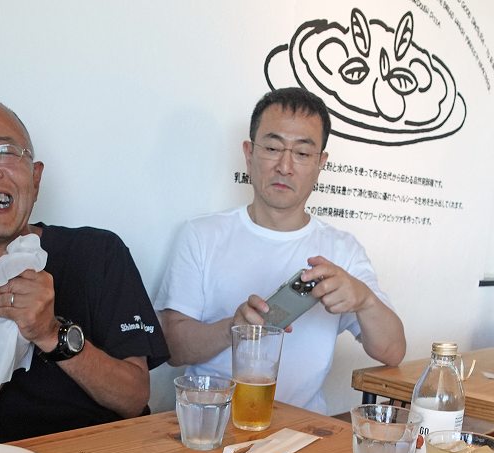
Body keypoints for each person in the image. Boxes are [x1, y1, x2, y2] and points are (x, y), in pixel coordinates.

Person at [0, 94, 169, 444]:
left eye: (5, 152)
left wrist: (49, 333)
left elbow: (134, 398)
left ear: (36, 178)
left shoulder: (99, 252)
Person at [155, 87, 405, 414]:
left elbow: (393, 351)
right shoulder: (202, 235)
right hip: (211, 425)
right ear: (249, 153)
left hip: (303, 431)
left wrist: (365, 299)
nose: (285, 166)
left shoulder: (342, 249)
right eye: (272, 147)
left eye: (302, 153)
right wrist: (234, 329)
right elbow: (171, 349)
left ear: (321, 163)